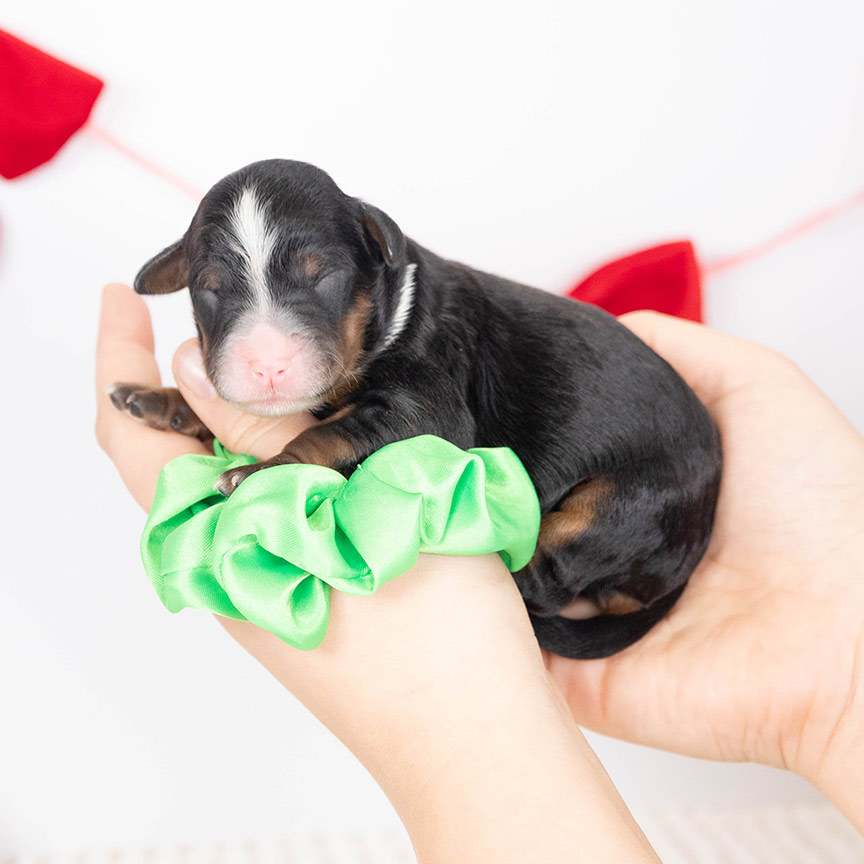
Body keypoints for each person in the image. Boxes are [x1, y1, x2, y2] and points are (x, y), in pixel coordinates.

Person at [96, 283, 864, 863]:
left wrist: (458, 701)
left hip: (626, 508)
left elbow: (394, 429)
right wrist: (838, 686)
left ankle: (539, 585)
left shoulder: (421, 342)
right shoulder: (397, 329)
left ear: (377, 261)